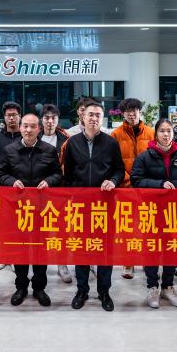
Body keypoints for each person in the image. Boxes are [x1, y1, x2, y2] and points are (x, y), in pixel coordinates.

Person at [62, 101, 125, 311]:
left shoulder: (111, 142)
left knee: (105, 249)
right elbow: (68, 175)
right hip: (80, 207)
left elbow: (119, 170)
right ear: (83, 116)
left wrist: (113, 181)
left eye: (98, 115)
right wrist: (74, 196)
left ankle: (104, 291)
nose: (94, 118)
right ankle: (82, 290)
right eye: (91, 114)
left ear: (102, 118)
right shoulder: (73, 143)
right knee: (82, 249)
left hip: (105, 206)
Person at [0, 112, 63, 307]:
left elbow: (58, 174)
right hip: (19, 210)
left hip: (43, 209)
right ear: (20, 127)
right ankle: (21, 287)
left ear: (39, 129)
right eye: (25, 126)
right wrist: (11, 181)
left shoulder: (49, 150)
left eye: (32, 126)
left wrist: (49, 181)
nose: (28, 130)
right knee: (20, 249)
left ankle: (40, 287)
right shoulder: (9, 150)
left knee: (41, 250)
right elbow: (1, 174)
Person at [129, 118, 177, 309]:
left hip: (174, 212)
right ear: (156, 134)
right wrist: (159, 185)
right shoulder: (144, 157)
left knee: (171, 249)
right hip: (151, 211)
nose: (166, 134)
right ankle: (152, 287)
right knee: (152, 249)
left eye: (169, 131)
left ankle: (168, 286)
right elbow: (136, 181)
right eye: (162, 131)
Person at [111, 97, 154, 280]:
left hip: (147, 187)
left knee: (147, 226)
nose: (132, 114)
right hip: (125, 187)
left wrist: (146, 182)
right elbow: (114, 162)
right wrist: (129, 181)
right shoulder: (115, 134)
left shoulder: (151, 133)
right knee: (127, 227)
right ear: (123, 114)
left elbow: (155, 159)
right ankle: (128, 262)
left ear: (139, 111)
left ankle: (146, 260)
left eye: (135, 110)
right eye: (128, 111)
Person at [40, 103, 74, 284]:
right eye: (46, 118)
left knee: (62, 230)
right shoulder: (34, 135)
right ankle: (39, 264)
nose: (50, 121)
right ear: (42, 120)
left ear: (58, 120)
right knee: (39, 230)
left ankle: (62, 264)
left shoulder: (67, 139)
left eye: (53, 118)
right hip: (38, 191)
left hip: (60, 190)